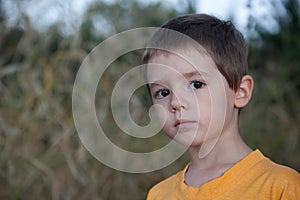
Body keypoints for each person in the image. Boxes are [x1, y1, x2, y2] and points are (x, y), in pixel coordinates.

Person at [142, 14, 300, 199]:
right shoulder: (159, 194)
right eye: (163, 92)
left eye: (196, 84)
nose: (176, 103)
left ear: (240, 92)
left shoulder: (281, 186)